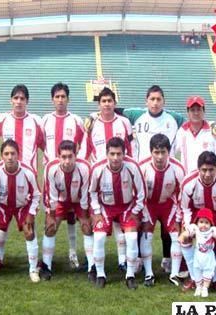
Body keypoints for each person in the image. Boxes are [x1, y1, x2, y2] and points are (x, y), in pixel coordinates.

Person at [115, 85, 185, 275]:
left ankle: (167, 259)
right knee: (140, 219)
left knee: (167, 222)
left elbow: (192, 119)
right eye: (152, 99)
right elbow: (114, 109)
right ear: (146, 100)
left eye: (158, 99)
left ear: (164, 101)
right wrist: (93, 116)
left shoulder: (174, 119)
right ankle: (137, 259)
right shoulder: (136, 114)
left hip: (166, 170)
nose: (155, 102)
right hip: (142, 173)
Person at [80, 87, 135, 272]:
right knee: (97, 221)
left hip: (122, 174)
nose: (107, 104)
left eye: (110, 101)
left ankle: (122, 261)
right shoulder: (92, 124)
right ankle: (94, 264)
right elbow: (86, 151)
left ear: (114, 103)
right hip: (100, 178)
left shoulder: (124, 123)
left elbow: (131, 148)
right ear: (99, 104)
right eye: (103, 101)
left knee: (121, 221)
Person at [0, 85, 44, 270]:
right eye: (16, 98)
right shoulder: (2, 119)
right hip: (5, 175)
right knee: (2, 222)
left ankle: (34, 258)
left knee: (29, 221)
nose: (19, 102)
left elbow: (46, 144)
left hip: (28, 178)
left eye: (22, 98)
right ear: (11, 100)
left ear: (27, 101)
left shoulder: (36, 122)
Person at [0, 139, 41, 283]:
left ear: (18, 155)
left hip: (22, 206)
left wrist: (31, 214)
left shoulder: (28, 172)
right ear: (1, 156)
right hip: (3, 206)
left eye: (13, 153)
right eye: (6, 154)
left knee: (29, 231)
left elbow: (37, 195)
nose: (9, 157)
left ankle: (33, 269)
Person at [89, 137, 146, 289]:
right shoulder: (97, 168)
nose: (115, 158)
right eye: (112, 154)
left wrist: (135, 210)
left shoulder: (132, 166)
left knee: (132, 237)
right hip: (105, 208)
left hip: (127, 207)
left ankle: (130, 275)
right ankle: (101, 274)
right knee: (99, 237)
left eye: (119, 154)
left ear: (124, 154)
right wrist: (96, 211)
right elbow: (92, 192)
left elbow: (141, 192)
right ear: (106, 154)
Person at [41, 82, 85, 269]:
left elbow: (84, 144)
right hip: (53, 176)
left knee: (74, 216)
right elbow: (39, 142)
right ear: (52, 100)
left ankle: (73, 253)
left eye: (63, 97)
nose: (60, 100)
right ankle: (45, 262)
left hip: (73, 172)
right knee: (52, 219)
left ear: (68, 99)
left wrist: (76, 165)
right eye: (57, 97)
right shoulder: (44, 120)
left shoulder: (76, 120)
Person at [180, 151, 216, 293]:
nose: (208, 174)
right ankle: (194, 277)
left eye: (211, 170)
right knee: (184, 238)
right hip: (196, 215)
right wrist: (189, 227)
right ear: (199, 169)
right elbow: (184, 208)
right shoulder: (188, 183)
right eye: (204, 170)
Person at [40, 140, 93, 280]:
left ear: (76, 156)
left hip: (79, 200)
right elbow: (49, 194)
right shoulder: (51, 168)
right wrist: (50, 215)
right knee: (50, 228)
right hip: (60, 200)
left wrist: (86, 216)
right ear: (58, 157)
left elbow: (86, 193)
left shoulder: (85, 168)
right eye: (64, 157)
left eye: (70, 156)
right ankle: (46, 266)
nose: (67, 161)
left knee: (87, 228)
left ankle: (92, 267)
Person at [139, 134, 185, 286]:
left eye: (163, 152)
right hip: (149, 205)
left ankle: (174, 274)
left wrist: (178, 218)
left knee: (175, 234)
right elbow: (138, 193)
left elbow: (180, 195)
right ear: (151, 151)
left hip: (168, 205)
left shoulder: (177, 168)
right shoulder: (142, 167)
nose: (159, 157)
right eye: (156, 152)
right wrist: (143, 211)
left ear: (169, 152)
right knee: (147, 235)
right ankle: (149, 274)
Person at [179, 208, 216, 297]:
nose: (203, 225)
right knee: (197, 271)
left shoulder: (212, 230)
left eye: (206, 223)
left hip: (208, 256)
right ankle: (198, 287)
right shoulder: (195, 228)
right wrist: (182, 236)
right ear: (197, 222)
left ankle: (205, 288)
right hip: (198, 256)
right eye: (201, 222)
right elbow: (186, 233)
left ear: (210, 223)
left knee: (208, 272)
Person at [174, 96, 216, 175]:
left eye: (199, 109)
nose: (196, 113)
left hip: (209, 180)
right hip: (187, 181)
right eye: (192, 110)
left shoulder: (213, 131)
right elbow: (171, 153)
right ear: (188, 113)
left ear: (204, 111)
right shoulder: (182, 131)